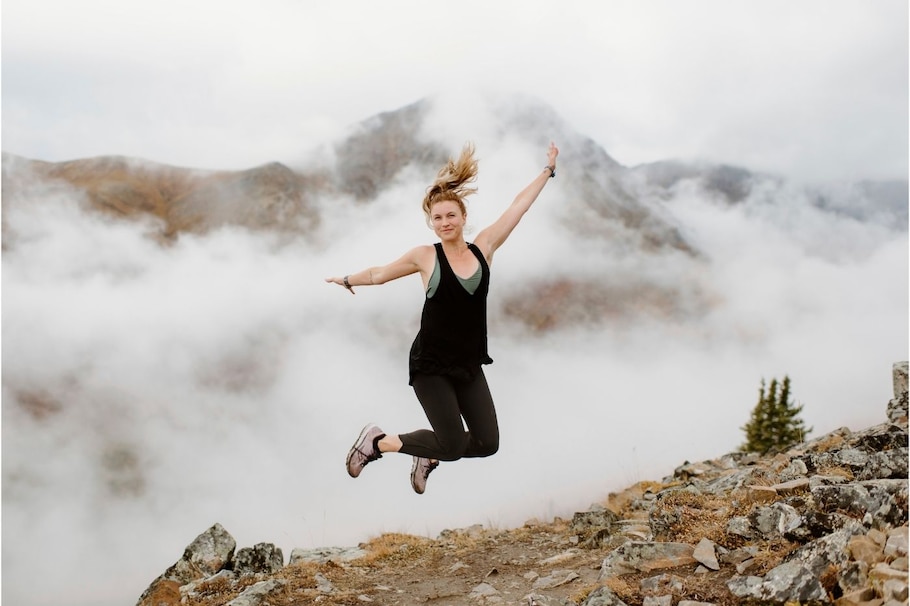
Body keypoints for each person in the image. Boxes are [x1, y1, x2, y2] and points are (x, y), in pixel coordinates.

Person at [325, 141, 559, 494]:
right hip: (430, 366)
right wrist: (347, 280)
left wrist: (548, 170)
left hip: (467, 364)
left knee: (487, 443)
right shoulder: (425, 257)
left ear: (463, 218)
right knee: (450, 446)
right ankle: (378, 442)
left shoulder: (484, 248)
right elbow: (379, 274)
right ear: (432, 224)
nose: (445, 222)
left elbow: (518, 208)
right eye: (438, 218)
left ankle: (427, 454)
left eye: (451, 215)